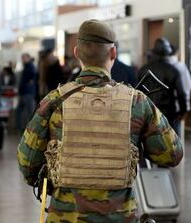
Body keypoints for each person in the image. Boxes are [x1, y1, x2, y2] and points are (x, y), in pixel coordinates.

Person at [18, 19, 183, 222]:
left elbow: (27, 163)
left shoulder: (54, 101)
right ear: (113, 53)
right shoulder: (137, 102)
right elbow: (172, 155)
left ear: (77, 52)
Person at [138, 38, 190, 135]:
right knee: (172, 144)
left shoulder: (143, 69)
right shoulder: (173, 70)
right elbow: (181, 94)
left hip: (148, 112)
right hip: (169, 115)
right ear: (168, 53)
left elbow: (136, 91)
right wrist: (183, 112)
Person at [16, 53, 37, 132]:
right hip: (24, 92)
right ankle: (21, 127)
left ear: (29, 58)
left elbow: (32, 79)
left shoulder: (31, 67)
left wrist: (27, 84)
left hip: (28, 93)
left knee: (30, 111)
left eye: (24, 58)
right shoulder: (26, 66)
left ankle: (30, 129)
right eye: (22, 58)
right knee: (20, 110)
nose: (23, 60)